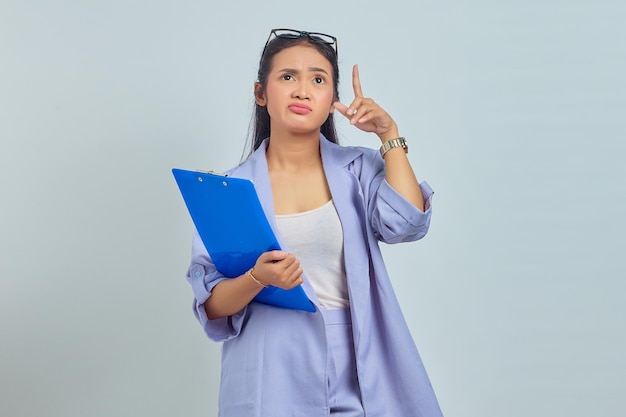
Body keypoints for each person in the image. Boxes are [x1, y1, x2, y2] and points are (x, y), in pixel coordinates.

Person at [185, 28, 444, 417]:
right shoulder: (229, 190)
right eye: (287, 77)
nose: (303, 90)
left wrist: (389, 136)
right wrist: (258, 278)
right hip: (272, 365)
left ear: (332, 100)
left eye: (318, 80)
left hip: (361, 357)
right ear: (261, 93)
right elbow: (212, 304)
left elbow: (406, 223)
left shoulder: (358, 169)